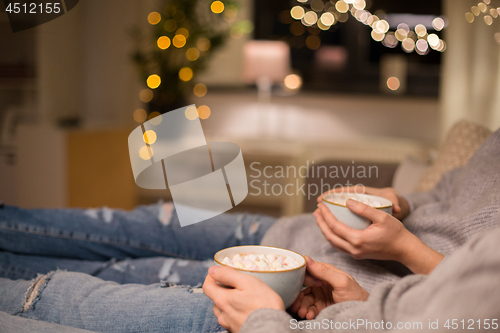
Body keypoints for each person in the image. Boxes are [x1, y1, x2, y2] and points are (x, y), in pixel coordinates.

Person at [1, 127, 499, 333]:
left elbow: (458, 310)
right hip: (289, 237)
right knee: (114, 224)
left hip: (287, 299)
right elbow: (445, 194)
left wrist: (405, 248)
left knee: (114, 275)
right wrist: (400, 201)